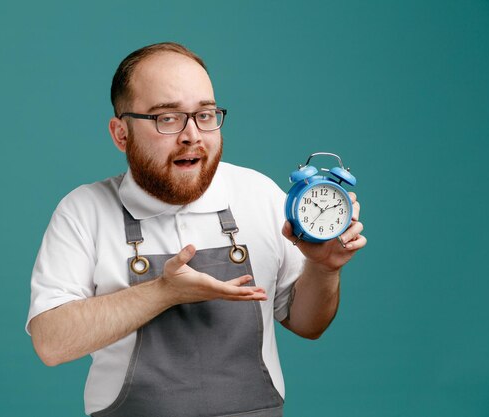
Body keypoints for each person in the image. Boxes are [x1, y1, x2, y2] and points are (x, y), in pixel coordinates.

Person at [26, 42, 366, 417]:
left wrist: (324, 267)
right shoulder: (84, 211)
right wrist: (162, 293)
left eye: (205, 114)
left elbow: (307, 324)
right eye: (167, 118)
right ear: (121, 133)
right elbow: (51, 342)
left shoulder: (259, 194)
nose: (192, 135)